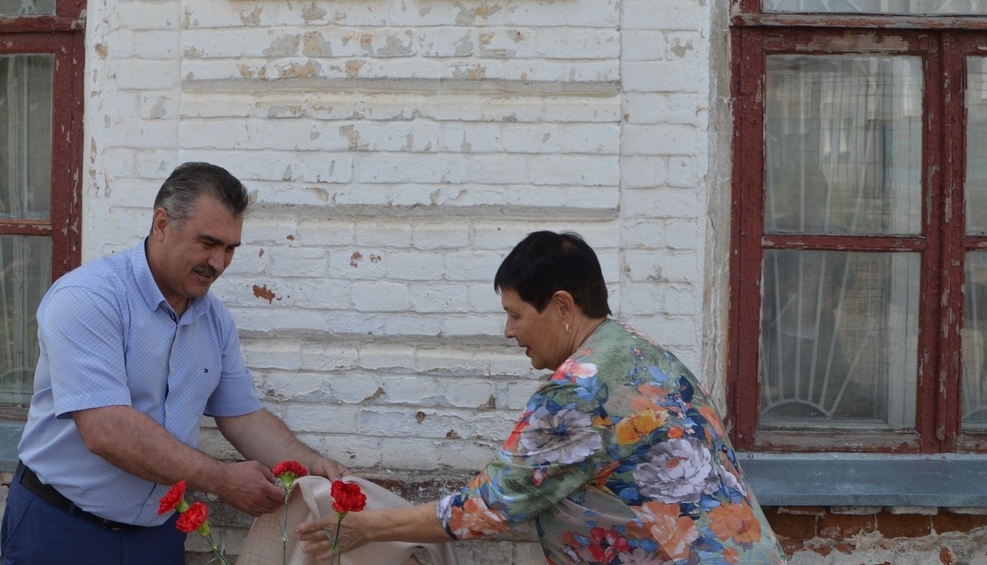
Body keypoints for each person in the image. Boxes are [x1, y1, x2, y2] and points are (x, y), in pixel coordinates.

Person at [298, 231, 787, 565]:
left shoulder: (580, 390)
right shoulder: (642, 355)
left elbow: (485, 507)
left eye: (515, 314)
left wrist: (367, 528)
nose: (508, 331)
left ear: (561, 306)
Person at [0, 162, 348, 565]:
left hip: (158, 537)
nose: (218, 262)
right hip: (61, 529)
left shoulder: (215, 320)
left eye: (230, 248)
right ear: (161, 224)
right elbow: (106, 430)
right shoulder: (89, 296)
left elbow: (243, 416)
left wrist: (306, 462)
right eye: (208, 243)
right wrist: (222, 480)